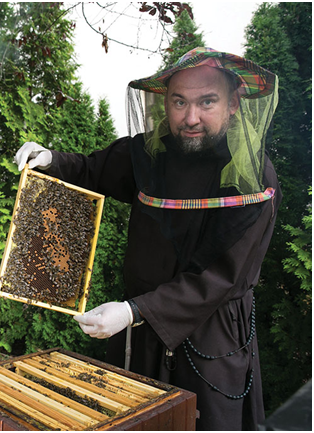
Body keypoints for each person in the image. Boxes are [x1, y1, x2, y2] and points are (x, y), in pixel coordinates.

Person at [14, 47, 281, 431]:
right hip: (139, 334)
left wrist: (133, 311)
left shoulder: (252, 177)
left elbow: (219, 278)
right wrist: (51, 159)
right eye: (179, 102)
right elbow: (93, 170)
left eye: (207, 102)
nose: (191, 117)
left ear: (234, 104)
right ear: (164, 102)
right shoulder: (150, 152)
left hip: (210, 337)